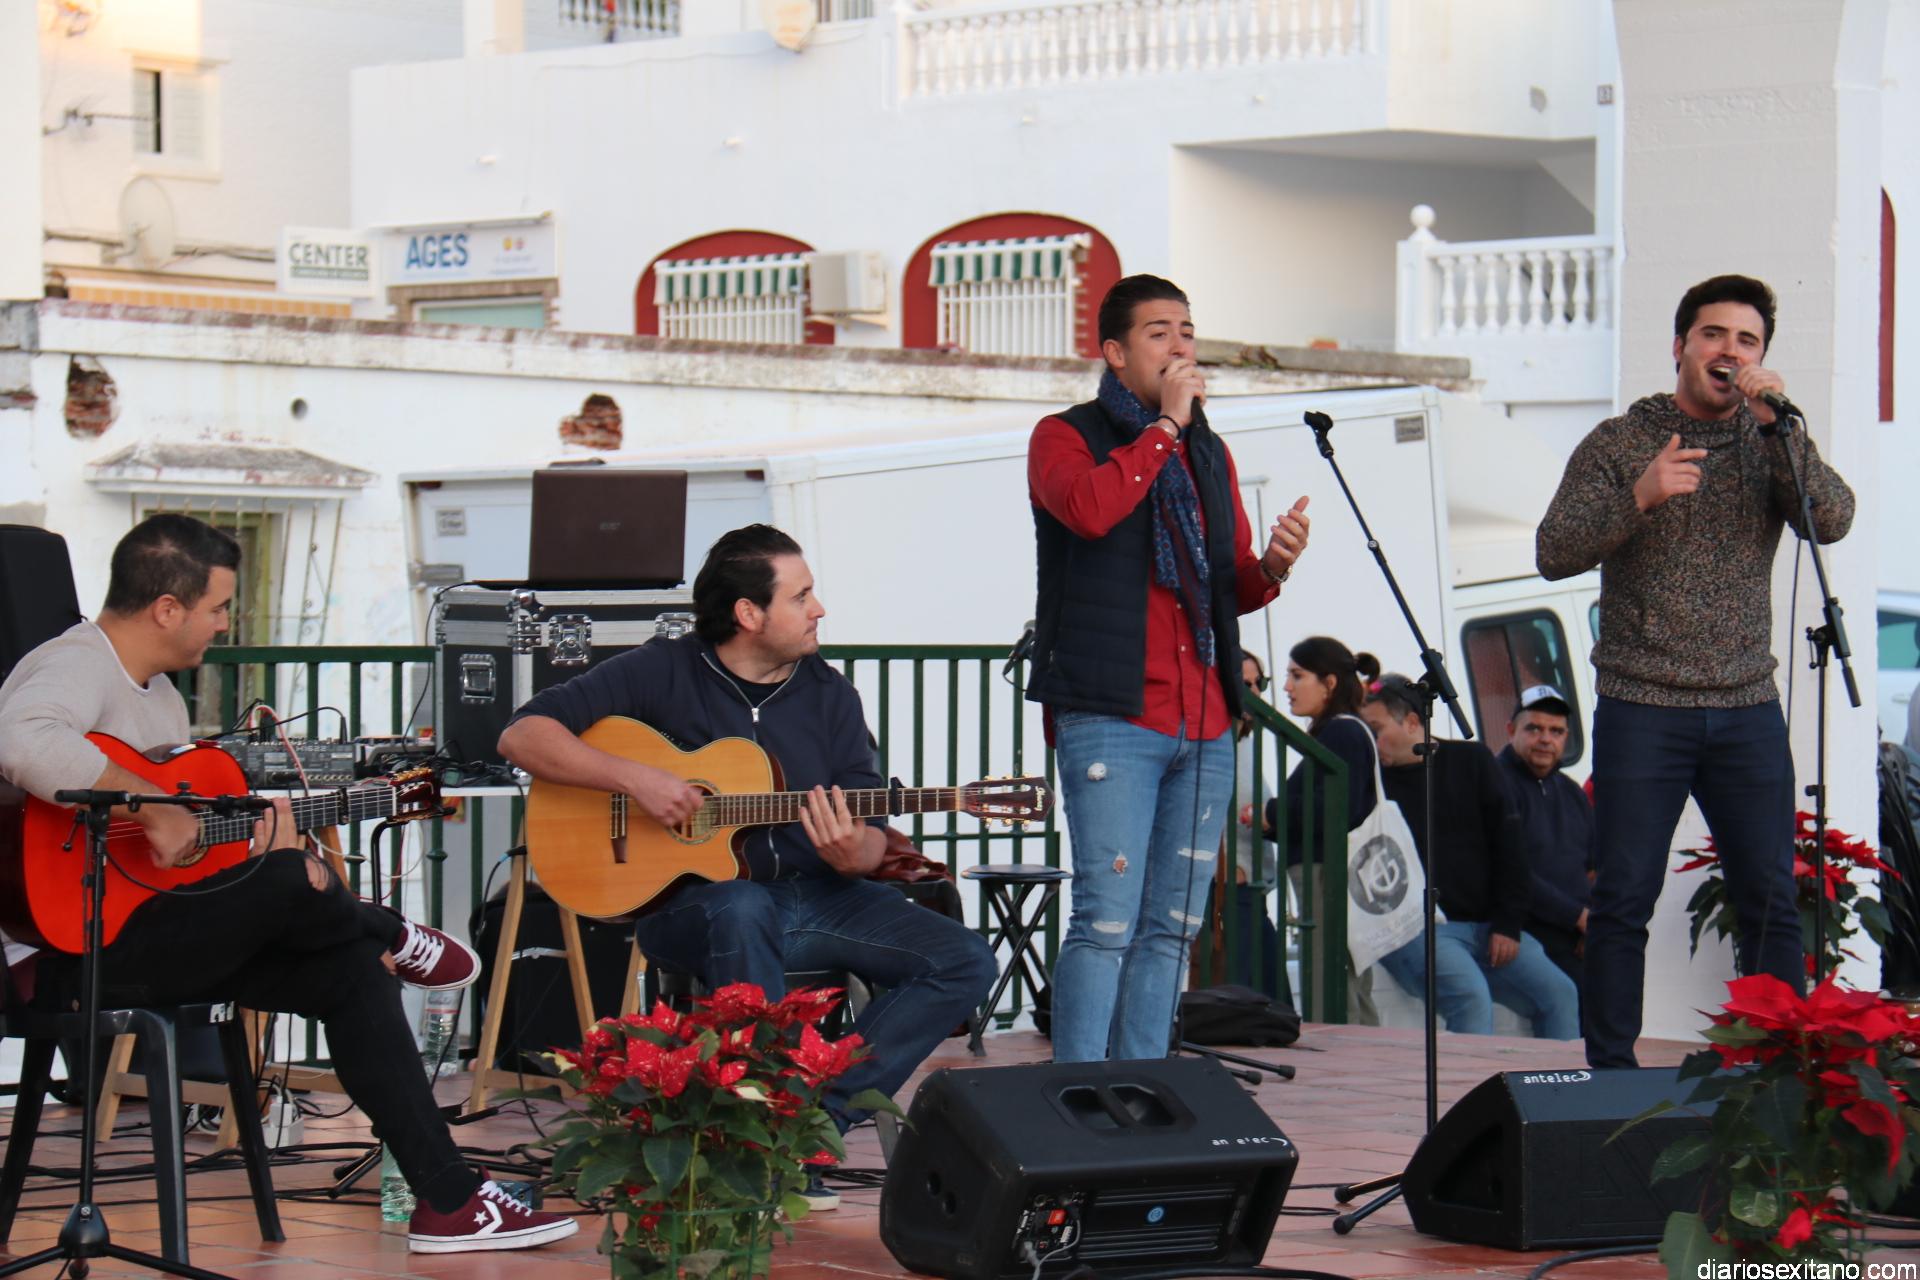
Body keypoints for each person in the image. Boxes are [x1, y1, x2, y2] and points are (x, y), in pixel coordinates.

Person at [0, 514, 578, 1255]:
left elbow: (172, 860)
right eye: (217, 608)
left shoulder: (161, 698)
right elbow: (23, 740)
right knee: (287, 879)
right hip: (76, 950)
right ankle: (387, 928)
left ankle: (450, 1201)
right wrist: (152, 807)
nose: (224, 624)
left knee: (347, 967)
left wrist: (240, 848)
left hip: (154, 930)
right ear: (168, 608)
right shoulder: (76, 663)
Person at [496, 524, 997, 1206]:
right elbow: (523, 735)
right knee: (742, 904)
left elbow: (870, 837)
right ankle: (749, 1138)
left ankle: (806, 1127)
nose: (819, 610)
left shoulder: (830, 696)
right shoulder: (661, 670)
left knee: (964, 959)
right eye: (802, 596)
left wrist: (853, 851)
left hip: (818, 897)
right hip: (695, 908)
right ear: (748, 614)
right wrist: (637, 780)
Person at [1537, 274, 1855, 1068]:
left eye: (1747, 341)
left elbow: (1833, 518)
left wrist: (1780, 429)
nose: (1730, 351)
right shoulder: (1621, 441)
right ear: (1681, 345)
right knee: (1622, 898)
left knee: (1771, 897)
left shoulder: (1768, 441)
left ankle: (1778, 1073)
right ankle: (1611, 1076)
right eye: (1714, 335)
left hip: (1747, 706)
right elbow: (1553, 551)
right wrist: (1638, 498)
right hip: (1643, 704)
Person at [1024, 274, 1311, 1063]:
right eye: (1159, 332)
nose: (1180, 345)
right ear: (1116, 354)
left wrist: (1273, 566)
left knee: (1172, 930)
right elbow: (1089, 510)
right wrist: (1165, 428)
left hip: (1206, 718)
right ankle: (1078, 1093)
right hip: (1113, 713)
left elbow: (1228, 584)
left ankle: (1143, 1086)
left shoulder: (1207, 453)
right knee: (1106, 920)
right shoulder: (1065, 436)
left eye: (1187, 330)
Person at [1361, 675, 1578, 1040]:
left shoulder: (1471, 760)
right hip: (1417, 929)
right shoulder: (1370, 781)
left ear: (1412, 722)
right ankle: (1467, 1080)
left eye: (1376, 729)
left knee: (1561, 994)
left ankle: (1564, 1078)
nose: (1369, 741)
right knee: (1469, 997)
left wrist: (1507, 924)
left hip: (1486, 927)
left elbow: (1509, 845)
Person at [1256, 637, 1382, 1024]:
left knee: (1330, 980)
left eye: (1297, 676)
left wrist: (1270, 814)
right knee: (1348, 978)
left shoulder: (1342, 732)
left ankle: (1342, 1054)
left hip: (1327, 873)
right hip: (1330, 871)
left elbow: (1335, 807)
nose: (1287, 687)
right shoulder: (1341, 731)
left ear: (1329, 683)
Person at [1494, 685, 1593, 996]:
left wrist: (1592, 921)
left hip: (1577, 934)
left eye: (1556, 731)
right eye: (1534, 728)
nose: (1545, 739)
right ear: (1511, 730)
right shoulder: (1494, 784)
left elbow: (1597, 866)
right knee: (1570, 999)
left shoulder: (1572, 791)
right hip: (1523, 933)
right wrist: (1578, 917)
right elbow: (1508, 870)